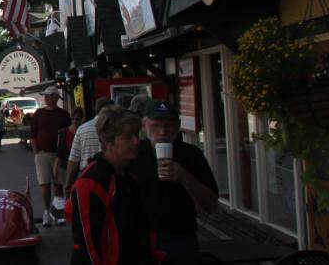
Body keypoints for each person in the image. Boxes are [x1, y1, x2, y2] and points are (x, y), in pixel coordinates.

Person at [129, 99, 218, 264]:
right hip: (142, 238)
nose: (162, 132)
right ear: (144, 126)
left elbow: (211, 206)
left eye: (168, 125)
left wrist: (185, 177)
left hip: (181, 237)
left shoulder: (191, 155)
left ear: (177, 127)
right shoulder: (133, 155)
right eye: (156, 125)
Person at [68, 106, 155, 264]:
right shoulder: (91, 182)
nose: (136, 141)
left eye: (137, 135)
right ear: (108, 142)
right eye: (128, 137)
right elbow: (90, 248)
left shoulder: (130, 173)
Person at [30, 86, 70, 226]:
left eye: (48, 96)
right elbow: (33, 134)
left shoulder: (64, 114)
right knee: (44, 184)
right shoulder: (39, 113)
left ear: (55, 97)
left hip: (59, 154)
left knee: (59, 184)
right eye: (45, 96)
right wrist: (37, 152)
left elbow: (68, 133)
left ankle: (58, 212)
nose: (45, 98)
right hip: (43, 154)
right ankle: (46, 211)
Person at [65, 97, 115, 193]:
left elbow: (73, 160)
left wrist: (68, 183)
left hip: (86, 176)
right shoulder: (116, 127)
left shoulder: (82, 129)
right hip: (110, 176)